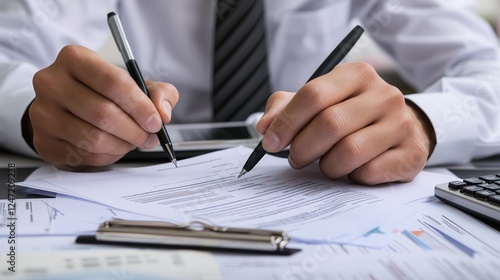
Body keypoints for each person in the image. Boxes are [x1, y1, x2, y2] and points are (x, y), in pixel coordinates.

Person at [0, 0, 499, 185]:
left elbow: (489, 67)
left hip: (304, 176)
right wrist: (32, 109)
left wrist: (424, 121)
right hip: (147, 169)